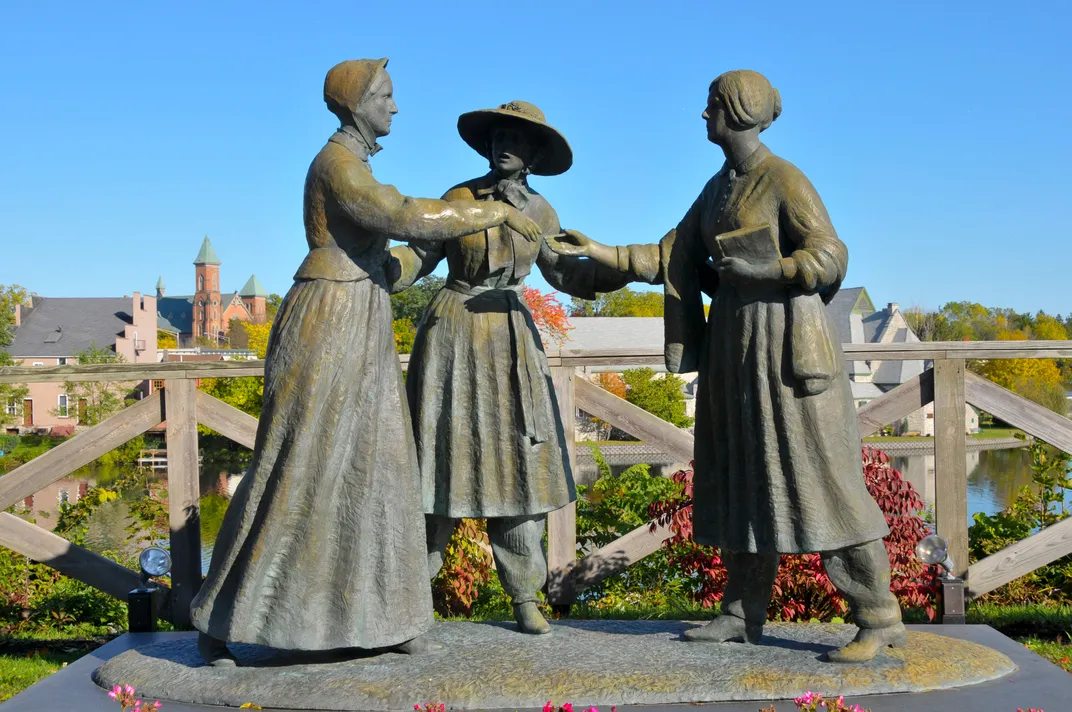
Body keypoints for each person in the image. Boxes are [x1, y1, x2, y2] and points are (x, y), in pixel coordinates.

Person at [190, 59, 542, 665]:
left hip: (364, 312)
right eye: (386, 96)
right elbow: (401, 214)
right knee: (300, 461)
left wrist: (406, 266)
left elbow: (394, 254)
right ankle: (224, 619)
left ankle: (382, 615)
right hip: (330, 319)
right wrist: (493, 211)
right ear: (358, 103)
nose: (395, 107)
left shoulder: (355, 163)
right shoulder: (340, 165)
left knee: (375, 468)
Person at [548, 70, 904, 663]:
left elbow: (831, 255)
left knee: (823, 483)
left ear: (737, 111)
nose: (702, 115)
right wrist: (601, 252)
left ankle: (879, 614)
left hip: (789, 356)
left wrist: (777, 272)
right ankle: (742, 613)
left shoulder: (784, 179)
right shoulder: (717, 190)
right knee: (741, 480)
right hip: (734, 353)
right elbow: (671, 255)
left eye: (710, 105)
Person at [393, 100, 630, 634]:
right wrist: (379, 271)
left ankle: (525, 595)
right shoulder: (458, 198)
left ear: (535, 155)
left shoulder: (542, 212)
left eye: (517, 140)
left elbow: (567, 274)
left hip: (509, 337)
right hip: (452, 333)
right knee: (436, 461)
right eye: (498, 136)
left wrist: (623, 269)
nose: (504, 145)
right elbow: (420, 253)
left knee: (520, 464)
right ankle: (411, 597)